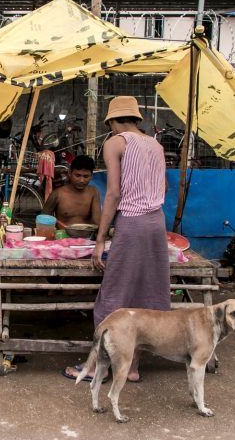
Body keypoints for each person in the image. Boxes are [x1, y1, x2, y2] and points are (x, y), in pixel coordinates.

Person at [62, 95, 169, 383]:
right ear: (136, 119)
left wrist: (100, 239)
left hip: (132, 224)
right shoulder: (156, 145)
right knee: (145, 297)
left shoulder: (115, 142)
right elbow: (165, 186)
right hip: (156, 223)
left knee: (113, 298)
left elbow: (113, 193)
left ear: (111, 121)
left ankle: (96, 367)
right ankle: (132, 367)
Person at [41, 155, 100, 227]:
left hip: (87, 236)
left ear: (91, 176)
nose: (82, 180)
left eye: (86, 176)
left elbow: (97, 221)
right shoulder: (57, 194)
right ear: (69, 173)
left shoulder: (93, 192)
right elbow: (42, 220)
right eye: (77, 175)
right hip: (62, 236)